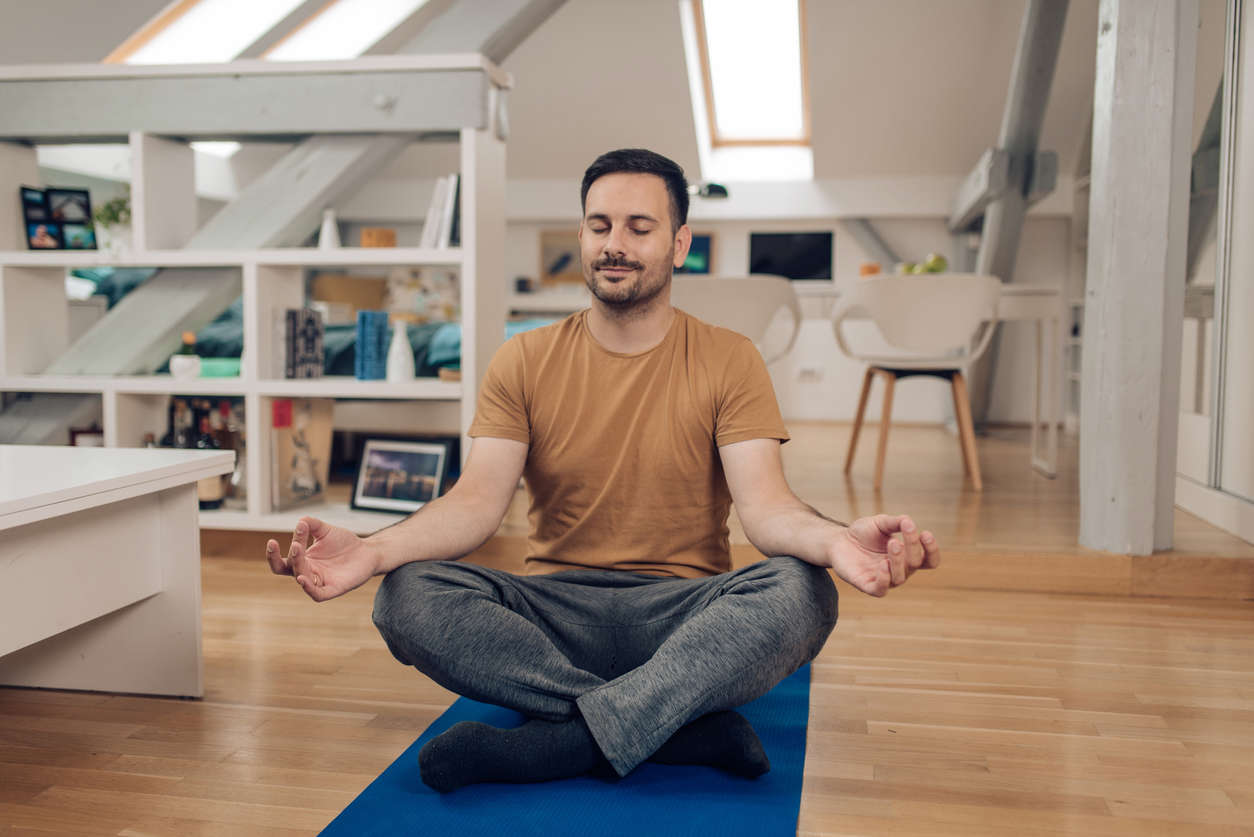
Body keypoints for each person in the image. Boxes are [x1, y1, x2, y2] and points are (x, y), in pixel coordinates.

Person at [266, 148, 940, 792]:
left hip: (683, 615)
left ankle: (560, 738)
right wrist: (373, 551)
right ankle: (669, 728)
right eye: (600, 225)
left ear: (678, 245)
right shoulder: (523, 360)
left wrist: (835, 539)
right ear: (583, 235)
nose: (615, 242)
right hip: (554, 614)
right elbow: (475, 503)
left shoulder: (730, 358)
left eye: (639, 227)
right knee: (405, 596)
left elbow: (768, 510)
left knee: (804, 590)